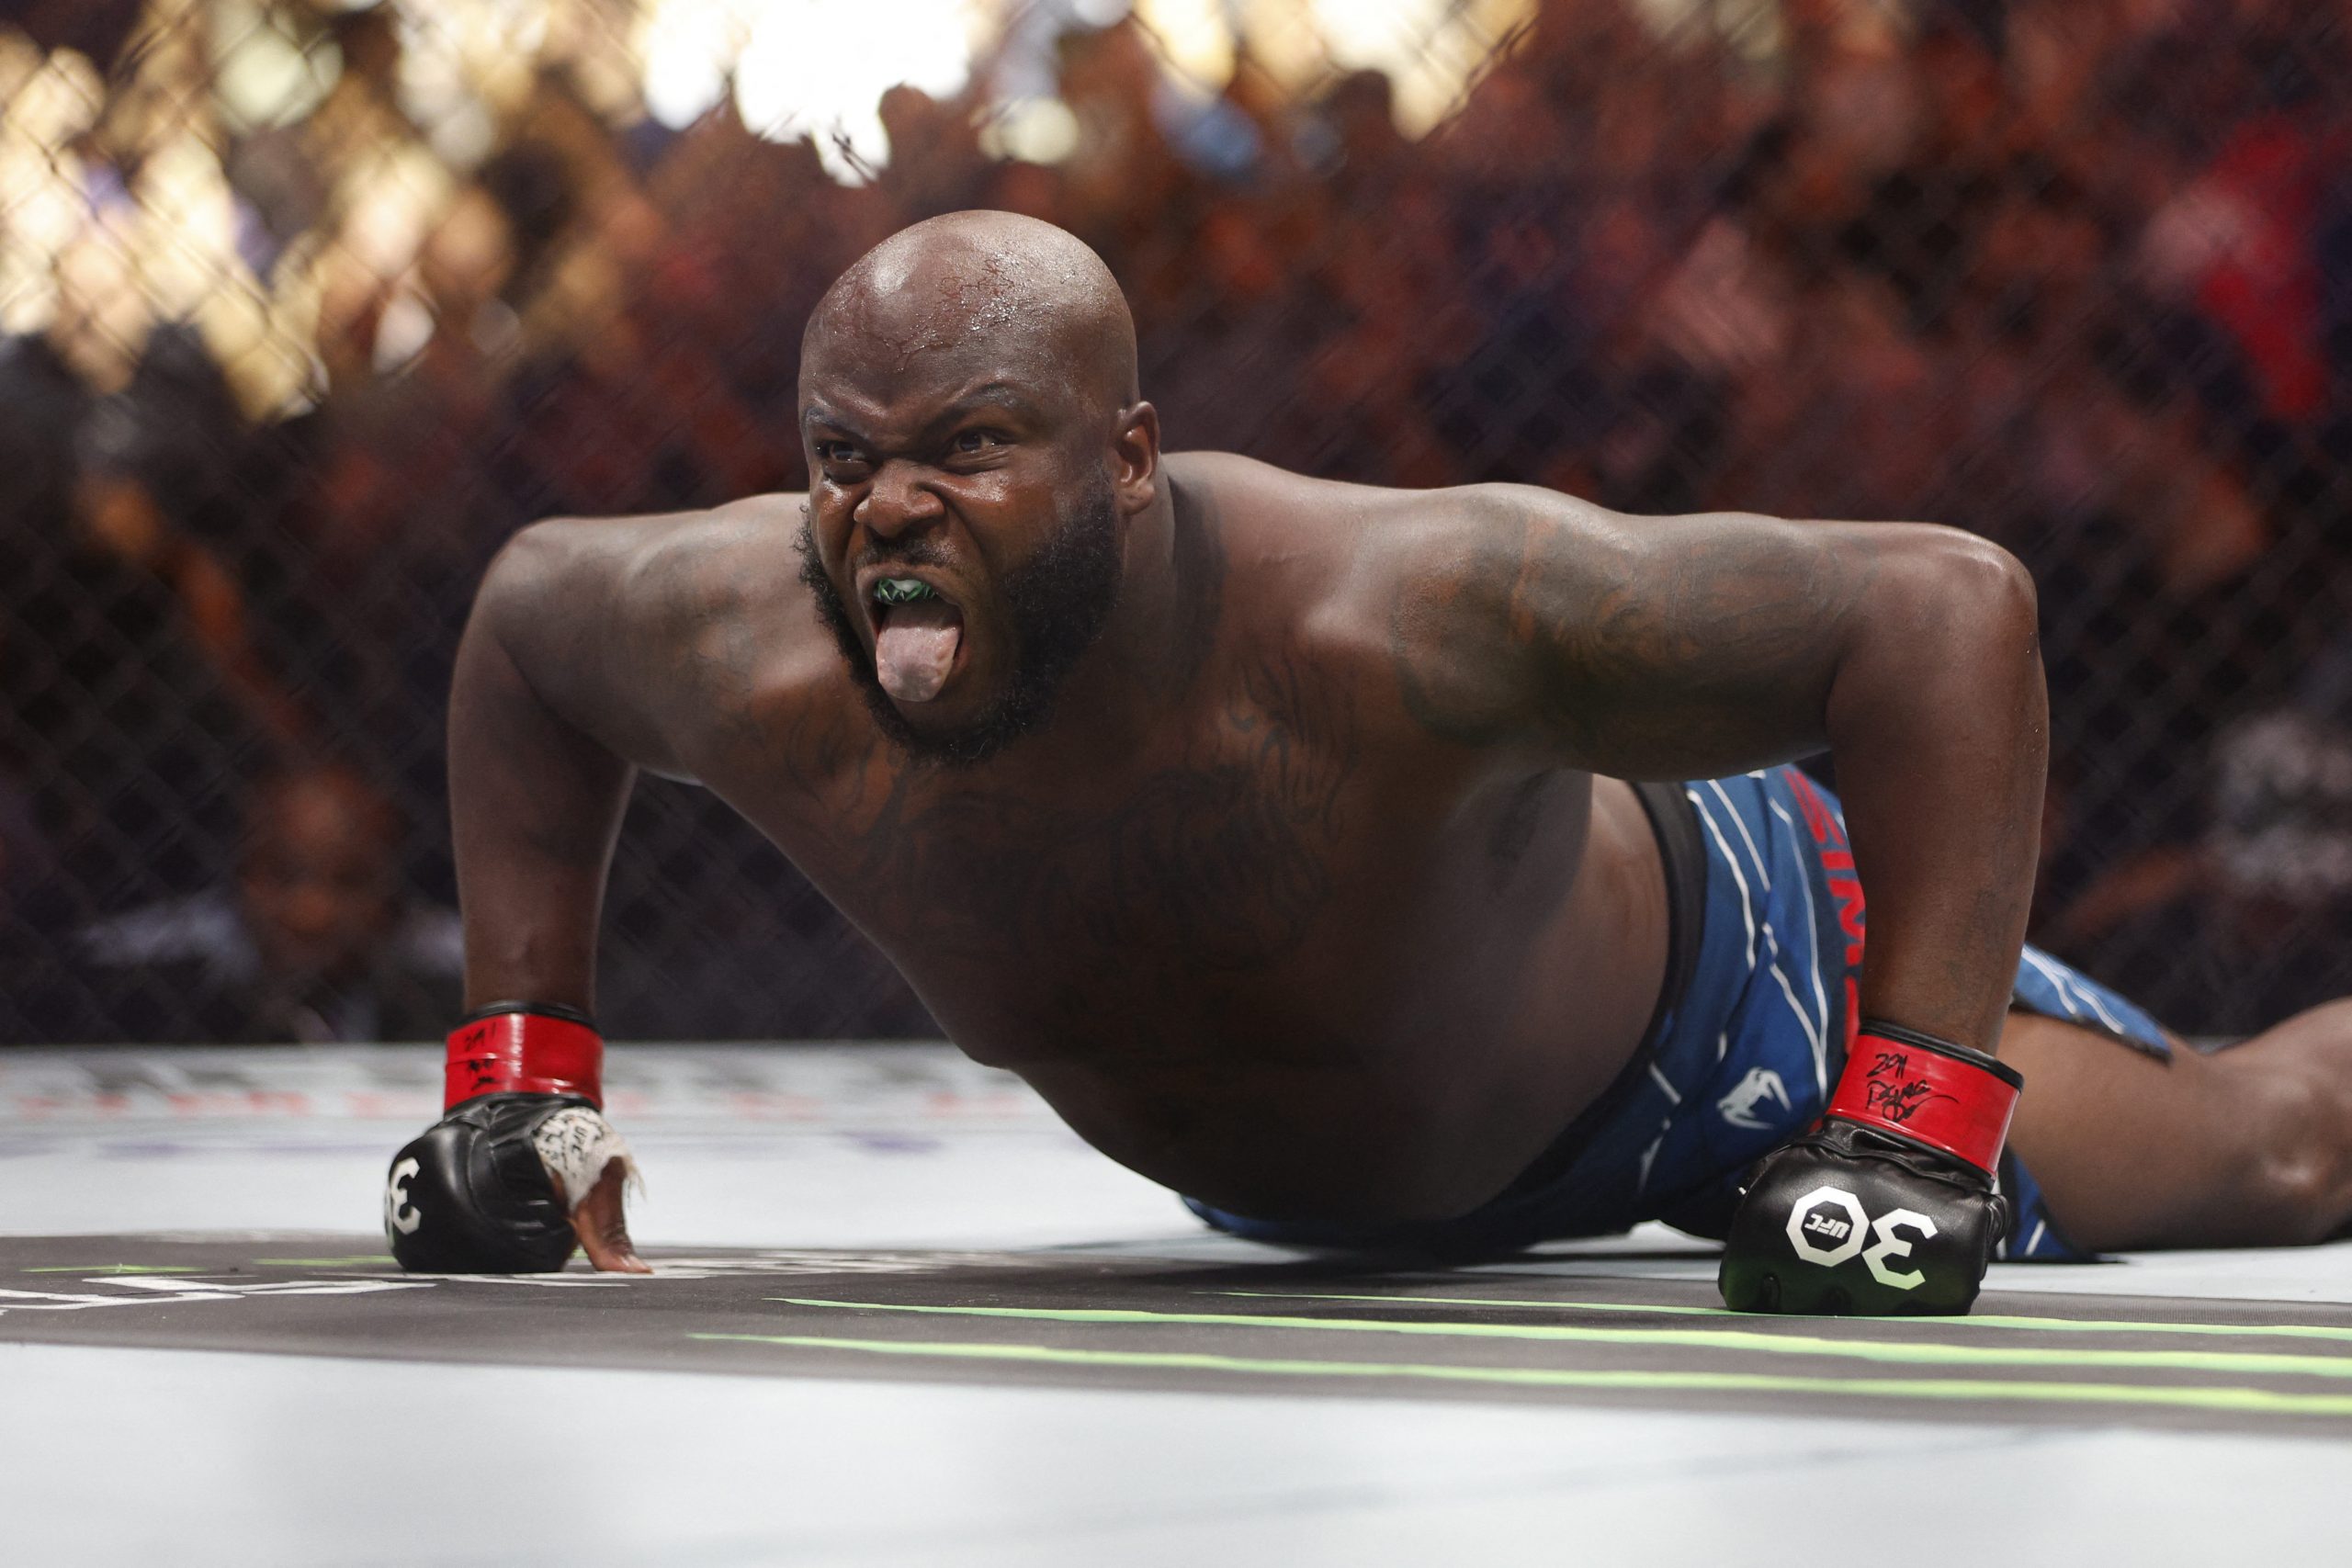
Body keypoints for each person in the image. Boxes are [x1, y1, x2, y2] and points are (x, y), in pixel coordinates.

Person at [383, 212, 2352, 1313]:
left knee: (2269, 1145)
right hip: (1326, 1188)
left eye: (968, 445)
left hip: (1718, 1001)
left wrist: (1912, 1114)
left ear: (1127, 461)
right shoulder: (740, 640)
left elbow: (1940, 608)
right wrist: (523, 1090)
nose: (888, 507)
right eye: (839, 455)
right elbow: (526, 629)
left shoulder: (1388, 608)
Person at [85, 761, 459, 1043]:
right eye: (281, 876)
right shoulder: (129, 966)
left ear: (394, 890)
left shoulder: (465, 974)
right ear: (238, 873)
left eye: (351, 881)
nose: (311, 914)